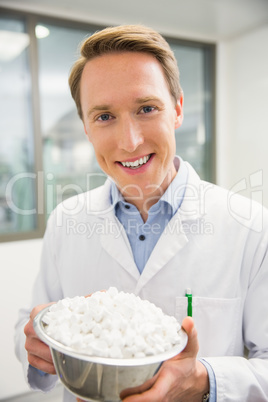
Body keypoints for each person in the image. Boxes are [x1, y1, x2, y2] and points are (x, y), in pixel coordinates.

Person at [14, 24, 268, 402]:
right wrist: (33, 346)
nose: (129, 141)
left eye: (146, 108)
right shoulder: (66, 221)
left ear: (178, 108)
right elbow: (35, 324)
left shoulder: (250, 226)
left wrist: (202, 381)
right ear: (85, 125)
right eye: (104, 116)